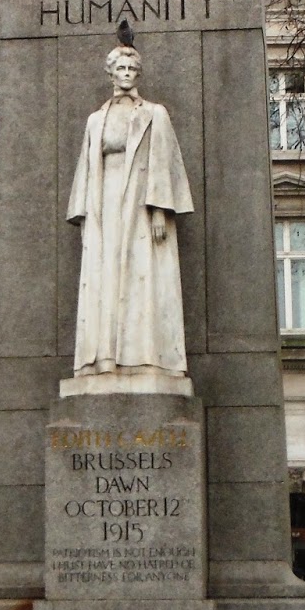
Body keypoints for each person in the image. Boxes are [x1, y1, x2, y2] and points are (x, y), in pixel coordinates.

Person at [67, 44, 193, 379]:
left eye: (131, 69)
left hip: (140, 203)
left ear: (138, 74)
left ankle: (147, 358)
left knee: (142, 279)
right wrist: (85, 216)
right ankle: (104, 358)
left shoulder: (155, 114)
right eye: (120, 68)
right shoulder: (95, 121)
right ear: (110, 72)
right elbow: (86, 168)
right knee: (105, 280)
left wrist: (158, 212)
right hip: (105, 203)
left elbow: (164, 163)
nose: (125, 74)